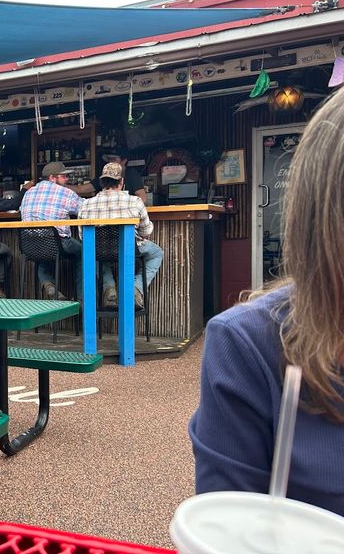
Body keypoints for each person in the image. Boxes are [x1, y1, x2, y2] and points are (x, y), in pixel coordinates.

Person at [189, 89, 344, 516]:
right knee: (150, 253)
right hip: (101, 244)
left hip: (64, 248)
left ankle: (101, 284)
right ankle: (122, 284)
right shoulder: (253, 343)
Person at [77, 162, 163, 310]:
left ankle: (109, 288)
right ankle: (135, 289)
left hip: (100, 249)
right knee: (157, 253)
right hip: (129, 248)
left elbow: (82, 237)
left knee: (100, 254)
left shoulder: (86, 204)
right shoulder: (134, 201)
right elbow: (146, 231)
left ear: (101, 182)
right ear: (122, 182)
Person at [20, 161, 84, 300]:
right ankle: (82, 300)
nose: (67, 179)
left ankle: (48, 284)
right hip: (57, 242)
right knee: (85, 252)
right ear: (52, 177)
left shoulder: (28, 193)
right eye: (63, 176)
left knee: (43, 248)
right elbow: (85, 209)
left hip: (29, 243)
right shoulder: (65, 193)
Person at [76, 151, 146, 201]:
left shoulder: (131, 174)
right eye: (109, 159)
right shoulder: (104, 175)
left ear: (124, 160)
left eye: (114, 159)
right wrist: (64, 186)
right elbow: (80, 189)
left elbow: (143, 198)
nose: (110, 162)